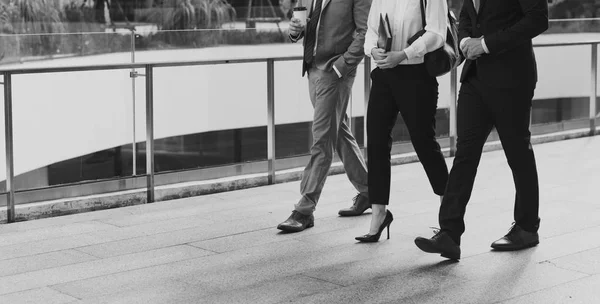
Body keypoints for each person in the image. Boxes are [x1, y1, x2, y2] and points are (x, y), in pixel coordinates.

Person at [414, 0, 549, 259]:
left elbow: (538, 19)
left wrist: (485, 44)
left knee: (517, 152)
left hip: (512, 79)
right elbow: (467, 16)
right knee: (465, 154)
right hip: (476, 78)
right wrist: (464, 42)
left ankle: (527, 227)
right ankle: (449, 234)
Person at [354, 0, 450, 243]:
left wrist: (404, 54)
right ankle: (379, 213)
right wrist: (372, 49)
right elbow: (372, 31)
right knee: (375, 142)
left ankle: (449, 212)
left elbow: (437, 33)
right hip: (385, 75)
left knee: (424, 142)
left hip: (416, 76)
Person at [277, 0, 373, 233]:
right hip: (312, 68)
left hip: (334, 71)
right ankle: (370, 191)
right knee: (338, 132)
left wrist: (342, 66)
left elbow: (364, 32)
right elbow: (303, 21)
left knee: (322, 138)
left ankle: (305, 208)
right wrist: (294, 32)